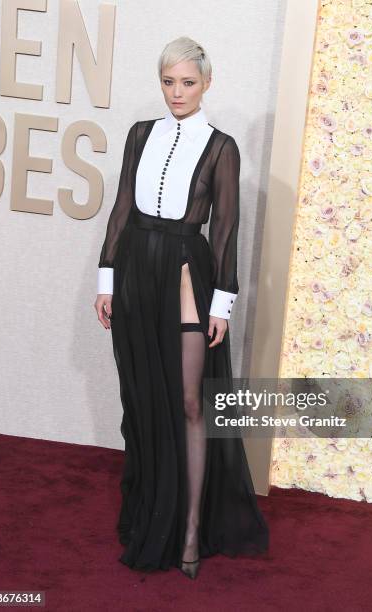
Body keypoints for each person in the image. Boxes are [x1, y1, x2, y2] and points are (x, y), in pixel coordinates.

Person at [94, 36, 269, 580]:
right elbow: (123, 206)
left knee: (192, 402)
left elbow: (225, 230)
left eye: (188, 82)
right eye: (168, 82)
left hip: (188, 270)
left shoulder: (222, 146)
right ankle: (153, 510)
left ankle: (191, 527)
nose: (177, 92)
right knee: (145, 396)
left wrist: (224, 304)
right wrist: (106, 279)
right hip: (136, 270)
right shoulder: (140, 134)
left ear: (206, 83)